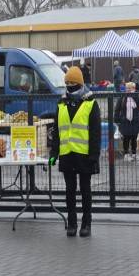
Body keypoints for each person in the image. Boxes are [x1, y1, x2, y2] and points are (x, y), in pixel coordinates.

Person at [49, 66, 101, 237]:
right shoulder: (61, 104)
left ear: (80, 83)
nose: (69, 86)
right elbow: (57, 131)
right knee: (70, 190)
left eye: (72, 83)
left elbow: (95, 132)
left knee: (85, 189)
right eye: (67, 83)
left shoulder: (90, 104)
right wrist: (53, 154)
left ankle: (87, 223)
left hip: (84, 155)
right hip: (67, 154)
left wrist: (94, 155)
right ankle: (72, 223)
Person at [114, 82, 139, 161]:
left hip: (135, 120)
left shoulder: (137, 94)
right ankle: (126, 154)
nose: (127, 90)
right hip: (125, 120)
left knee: (134, 138)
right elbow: (118, 108)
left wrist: (133, 95)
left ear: (133, 89)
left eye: (129, 88)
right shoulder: (123, 96)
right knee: (126, 138)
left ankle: (134, 154)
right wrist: (117, 120)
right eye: (127, 88)